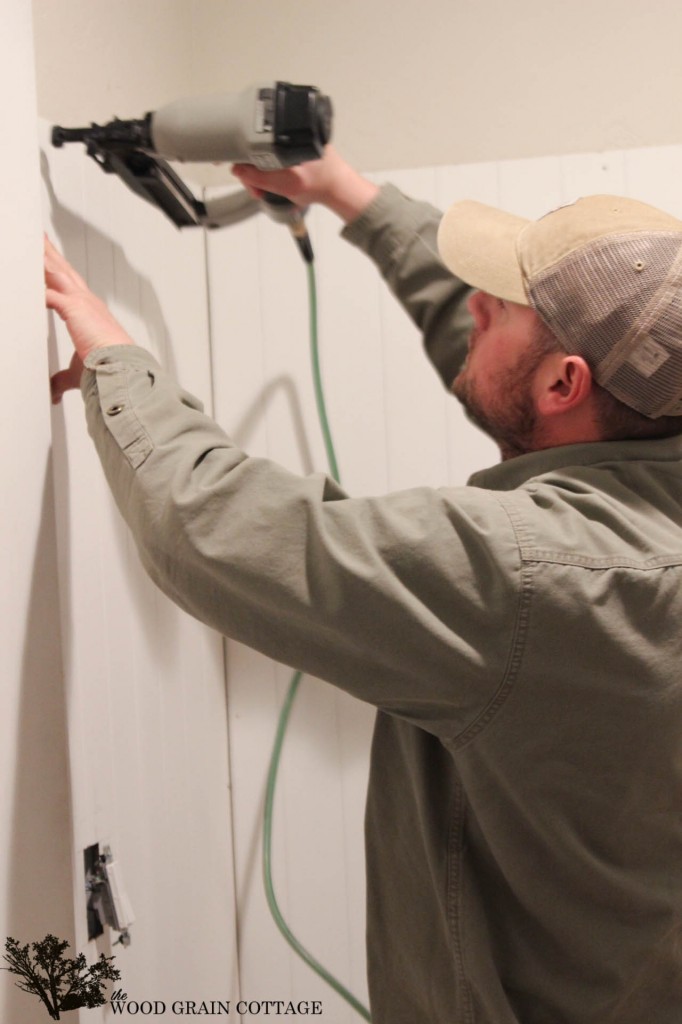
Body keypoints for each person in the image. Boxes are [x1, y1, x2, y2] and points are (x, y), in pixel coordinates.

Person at [45, 146, 682, 1024]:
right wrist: (348, 195)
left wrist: (116, 360)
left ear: (565, 382)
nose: (472, 307)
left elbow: (214, 531)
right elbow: (514, 380)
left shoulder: (529, 573)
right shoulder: (642, 440)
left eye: (495, 309)